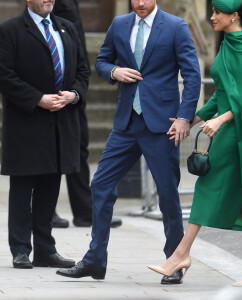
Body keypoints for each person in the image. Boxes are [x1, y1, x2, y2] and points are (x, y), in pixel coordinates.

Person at [56, 0, 201, 283]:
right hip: (126, 123)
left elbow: (193, 74)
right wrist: (114, 72)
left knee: (168, 194)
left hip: (163, 124)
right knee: (100, 184)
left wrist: (185, 116)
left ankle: (176, 260)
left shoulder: (175, 26)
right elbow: (101, 61)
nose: (141, 3)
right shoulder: (119, 24)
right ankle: (95, 260)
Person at [148, 0, 242, 287]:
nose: (212, 17)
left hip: (237, 134)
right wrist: (192, 119)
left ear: (234, 16)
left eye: (217, 13)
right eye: (212, 11)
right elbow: (220, 94)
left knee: (205, 188)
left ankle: (180, 254)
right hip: (226, 131)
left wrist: (219, 121)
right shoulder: (227, 44)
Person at [0, 0, 89, 268]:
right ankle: (21, 249)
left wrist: (74, 94)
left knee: (49, 187)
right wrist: (37, 99)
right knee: (23, 189)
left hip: (61, 121)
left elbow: (82, 71)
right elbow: (3, 75)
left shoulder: (67, 28)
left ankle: (45, 249)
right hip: (26, 122)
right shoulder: (9, 30)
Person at [51, 0, 122, 229]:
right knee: (49, 147)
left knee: (79, 146)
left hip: (75, 84)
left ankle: (84, 211)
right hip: (56, 83)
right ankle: (45, 209)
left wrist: (79, 86)